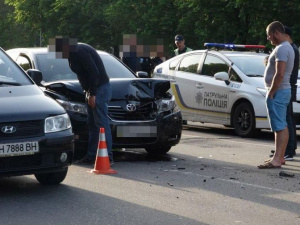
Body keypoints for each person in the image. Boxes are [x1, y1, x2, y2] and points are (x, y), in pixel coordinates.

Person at [65, 42, 113, 165]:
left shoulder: (80, 51)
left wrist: (92, 94)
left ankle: (107, 157)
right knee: (92, 124)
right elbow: (82, 75)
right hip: (92, 90)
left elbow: (94, 72)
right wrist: (86, 92)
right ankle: (92, 156)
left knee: (101, 123)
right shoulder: (72, 55)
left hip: (99, 89)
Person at [258, 21, 295, 169]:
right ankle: (278, 157)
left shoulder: (282, 49)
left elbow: (279, 74)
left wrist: (271, 92)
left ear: (276, 33)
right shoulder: (287, 47)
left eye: (269, 35)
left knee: (280, 126)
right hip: (281, 91)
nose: (268, 39)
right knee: (280, 125)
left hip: (278, 92)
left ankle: (278, 159)